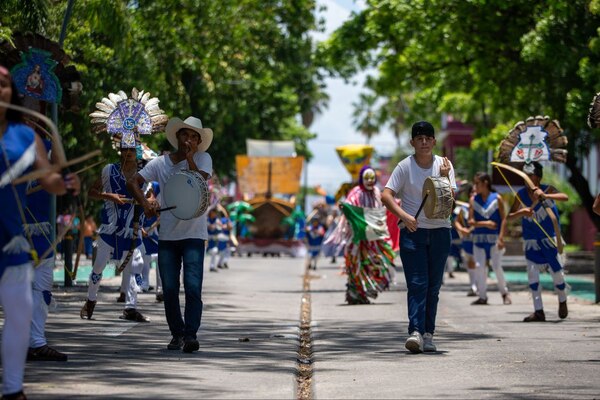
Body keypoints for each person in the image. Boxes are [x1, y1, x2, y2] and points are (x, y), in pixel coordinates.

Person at [1, 64, 78, 400]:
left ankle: (14, 388)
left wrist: (64, 184)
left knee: (20, 309)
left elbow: (49, 179)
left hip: (14, 237)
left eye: (3, 84)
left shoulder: (29, 138)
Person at [127, 116, 213, 353]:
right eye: (185, 135)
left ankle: (191, 335)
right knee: (171, 289)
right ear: (177, 137)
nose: (189, 139)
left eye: (195, 136)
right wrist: (145, 202)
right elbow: (133, 181)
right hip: (168, 237)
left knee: (193, 287)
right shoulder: (160, 163)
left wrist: (189, 159)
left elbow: (199, 183)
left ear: (199, 141)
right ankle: (177, 334)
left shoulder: (203, 159)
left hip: (194, 234)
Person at [381, 120, 456, 354]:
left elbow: (450, 200)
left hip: (441, 231)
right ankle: (414, 331)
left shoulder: (445, 165)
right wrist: (404, 216)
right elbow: (386, 195)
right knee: (417, 284)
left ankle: (428, 334)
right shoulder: (404, 167)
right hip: (413, 232)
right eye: (419, 139)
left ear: (434, 141)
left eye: (428, 138)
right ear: (412, 142)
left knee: (433, 286)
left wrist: (444, 178)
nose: (424, 142)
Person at [79, 145, 148, 322]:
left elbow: (152, 197)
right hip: (110, 228)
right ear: (120, 151)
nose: (128, 153)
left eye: (132, 149)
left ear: (137, 152)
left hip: (132, 230)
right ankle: (91, 300)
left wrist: (151, 204)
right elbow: (92, 192)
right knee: (98, 267)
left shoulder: (145, 172)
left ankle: (131, 308)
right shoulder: (108, 170)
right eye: (124, 149)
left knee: (135, 268)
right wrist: (110, 197)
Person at [500, 162, 569, 322]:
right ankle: (539, 311)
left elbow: (564, 197)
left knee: (557, 272)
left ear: (537, 177)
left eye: (530, 176)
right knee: (532, 274)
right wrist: (521, 212)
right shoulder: (521, 194)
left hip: (549, 239)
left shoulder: (548, 189)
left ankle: (562, 300)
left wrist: (546, 196)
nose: (527, 179)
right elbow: (509, 217)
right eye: (525, 176)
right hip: (531, 240)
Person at [330, 165, 394, 304]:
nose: (370, 180)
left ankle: (366, 290)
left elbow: (384, 207)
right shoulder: (356, 192)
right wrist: (345, 207)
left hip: (374, 239)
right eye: (367, 178)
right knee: (355, 266)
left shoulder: (377, 192)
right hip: (357, 239)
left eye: (372, 178)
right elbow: (348, 205)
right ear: (361, 179)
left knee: (374, 264)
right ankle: (354, 294)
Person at [468, 172, 511, 306]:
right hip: (479, 240)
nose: (475, 187)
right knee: (480, 267)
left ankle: (504, 293)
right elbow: (470, 221)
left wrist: (501, 237)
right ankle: (482, 296)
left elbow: (504, 219)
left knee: (497, 266)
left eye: (477, 183)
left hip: (494, 240)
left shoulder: (497, 198)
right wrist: (486, 223)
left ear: (485, 183)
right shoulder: (473, 200)